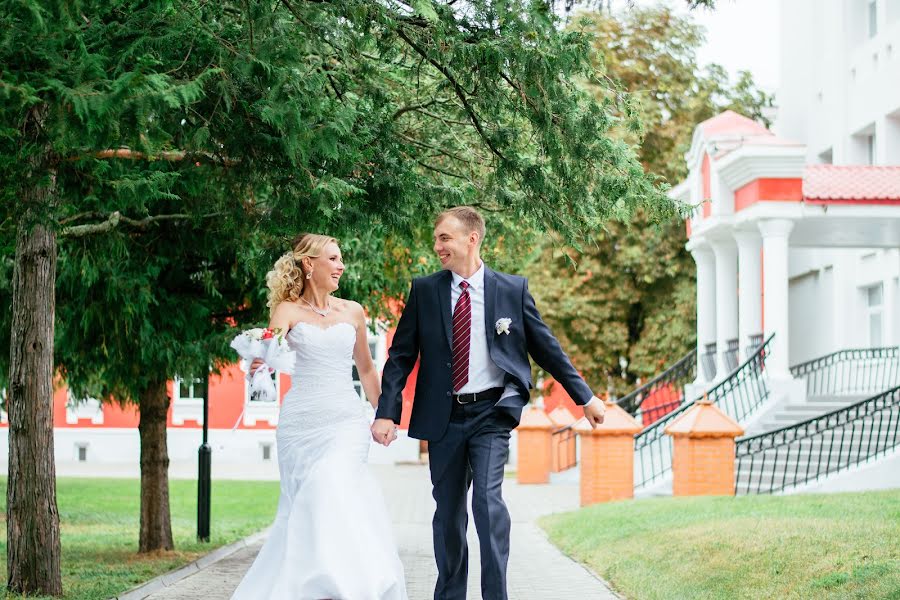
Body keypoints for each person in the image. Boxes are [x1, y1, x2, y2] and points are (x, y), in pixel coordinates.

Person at [371, 206, 606, 600]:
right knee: (448, 514)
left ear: (471, 238)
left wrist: (586, 397)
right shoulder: (426, 290)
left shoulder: (511, 290)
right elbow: (400, 357)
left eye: (444, 238)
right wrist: (387, 413)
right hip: (442, 417)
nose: (437, 246)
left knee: (487, 501)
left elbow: (547, 348)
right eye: (436, 239)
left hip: (491, 413)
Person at [231, 233, 407, 600]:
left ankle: (347, 587)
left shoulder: (353, 311)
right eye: (334, 258)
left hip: (345, 422)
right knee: (306, 506)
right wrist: (259, 362)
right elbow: (267, 358)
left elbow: (368, 370)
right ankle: (308, 588)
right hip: (300, 425)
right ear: (309, 264)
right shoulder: (287, 311)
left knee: (330, 486)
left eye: (341, 258)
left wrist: (386, 415)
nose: (341, 265)